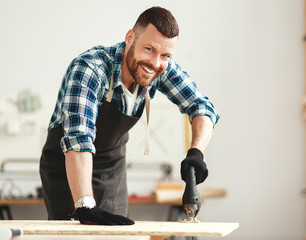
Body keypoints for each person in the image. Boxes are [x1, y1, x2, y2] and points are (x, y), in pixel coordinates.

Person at [39, 6, 220, 225]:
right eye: (149, 49)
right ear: (130, 37)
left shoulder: (160, 67)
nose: (155, 62)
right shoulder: (90, 68)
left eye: (165, 55)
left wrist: (196, 153)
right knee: (74, 234)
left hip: (111, 168)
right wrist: (85, 204)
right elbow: (79, 138)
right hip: (68, 167)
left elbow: (202, 107)